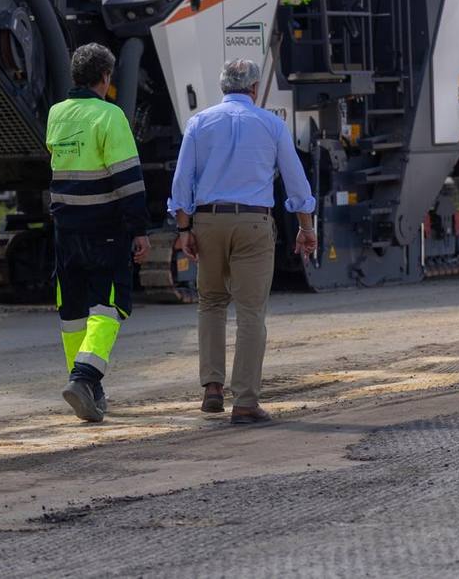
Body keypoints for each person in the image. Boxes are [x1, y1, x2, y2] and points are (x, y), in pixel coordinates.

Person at [169, 58, 318, 425]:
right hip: (254, 223)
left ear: (223, 87)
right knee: (251, 312)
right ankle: (246, 401)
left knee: (211, 303)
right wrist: (305, 226)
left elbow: (181, 179)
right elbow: (296, 182)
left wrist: (185, 228)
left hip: (207, 221)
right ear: (254, 89)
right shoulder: (271, 124)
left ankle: (212, 389)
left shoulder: (199, 123)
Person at [46, 43, 151, 422]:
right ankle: (85, 376)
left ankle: (90, 386)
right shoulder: (110, 116)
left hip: (65, 230)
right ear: (106, 78)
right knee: (109, 305)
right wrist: (139, 229)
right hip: (104, 229)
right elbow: (127, 179)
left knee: (72, 309)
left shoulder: (56, 114)